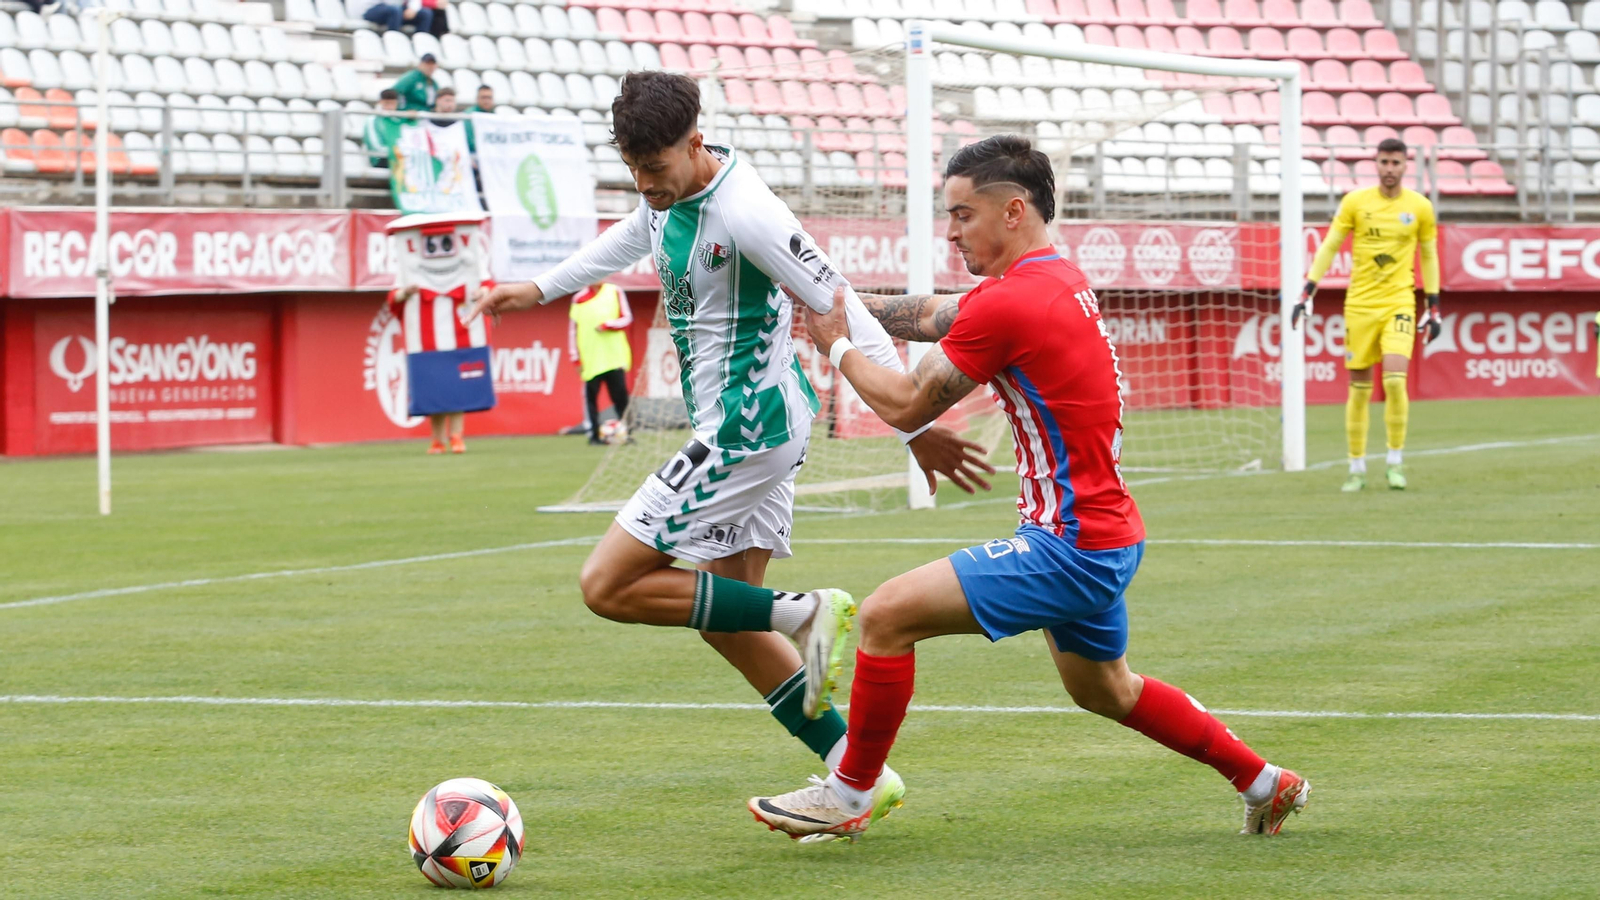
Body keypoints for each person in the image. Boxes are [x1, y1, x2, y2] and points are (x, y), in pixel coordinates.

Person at [748, 134, 1310, 842]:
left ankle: (852, 791)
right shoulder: (1053, 278)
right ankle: (1267, 782)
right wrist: (838, 302)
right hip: (1106, 536)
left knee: (887, 616)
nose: (950, 232)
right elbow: (932, 315)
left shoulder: (1011, 303)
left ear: (1013, 211)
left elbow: (901, 404)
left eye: (961, 216)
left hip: (1067, 546)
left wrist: (834, 342)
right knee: (1108, 690)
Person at [467, 71, 993, 826]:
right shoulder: (669, 196)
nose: (646, 185)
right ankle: (856, 780)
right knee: (724, 619)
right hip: (749, 425)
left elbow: (837, 301)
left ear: (696, 143)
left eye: (656, 169)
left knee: (607, 585)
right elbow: (633, 232)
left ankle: (809, 614)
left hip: (748, 429)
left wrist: (911, 422)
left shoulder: (749, 213)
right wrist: (540, 287)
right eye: (634, 170)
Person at [1296, 137, 1441, 492]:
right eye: (1384, 162)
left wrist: (1433, 304)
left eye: (1396, 163)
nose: (1389, 169)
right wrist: (1308, 288)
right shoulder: (1356, 203)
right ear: (1375, 164)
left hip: (1399, 303)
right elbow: (1330, 244)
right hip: (1360, 305)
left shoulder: (1419, 207)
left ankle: (1394, 462)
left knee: (1394, 381)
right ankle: (1356, 467)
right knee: (1359, 389)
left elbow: (1428, 255)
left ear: (1406, 166)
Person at [568, 282, 634, 446]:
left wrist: (608, 325)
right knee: (591, 398)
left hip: (614, 356)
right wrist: (575, 357)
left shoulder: (615, 291)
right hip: (591, 357)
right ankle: (593, 434)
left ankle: (626, 432)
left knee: (620, 397)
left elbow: (627, 318)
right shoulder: (579, 299)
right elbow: (572, 330)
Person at [364, 88, 406, 169]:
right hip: (381, 159)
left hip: (397, 156)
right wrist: (397, 152)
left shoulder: (397, 120)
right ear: (380, 102)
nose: (390, 107)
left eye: (393, 104)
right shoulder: (372, 120)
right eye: (387, 103)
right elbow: (375, 147)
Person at [356, 0, 433, 33]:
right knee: (395, 10)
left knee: (426, 13)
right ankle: (393, 42)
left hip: (395, 9)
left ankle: (419, 45)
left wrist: (412, 9)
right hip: (371, 8)